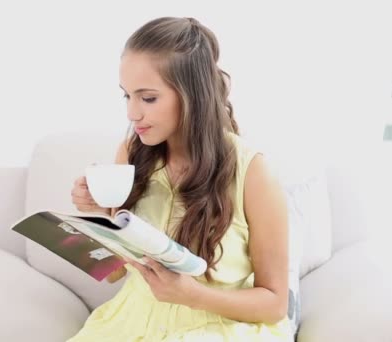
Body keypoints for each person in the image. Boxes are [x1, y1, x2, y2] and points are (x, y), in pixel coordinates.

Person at [69, 16, 291, 341]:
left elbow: (274, 304)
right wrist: (98, 214)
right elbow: (114, 273)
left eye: (147, 98)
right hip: (131, 324)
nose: (132, 113)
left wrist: (194, 296)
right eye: (126, 96)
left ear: (192, 95)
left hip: (217, 327)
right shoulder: (131, 153)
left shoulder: (253, 172)